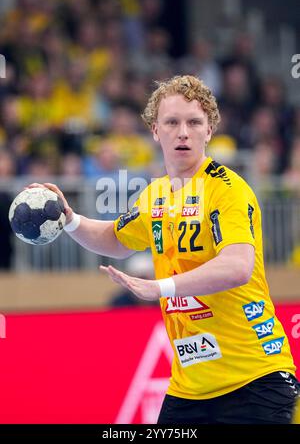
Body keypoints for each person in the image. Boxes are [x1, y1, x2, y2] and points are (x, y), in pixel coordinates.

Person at [28, 75, 299, 424]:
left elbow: (237, 266)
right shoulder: (155, 195)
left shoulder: (227, 190)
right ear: (155, 131)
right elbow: (115, 238)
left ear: (210, 131)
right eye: (172, 122)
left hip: (256, 380)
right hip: (189, 391)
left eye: (194, 122)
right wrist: (70, 219)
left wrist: (160, 288)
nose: (183, 132)